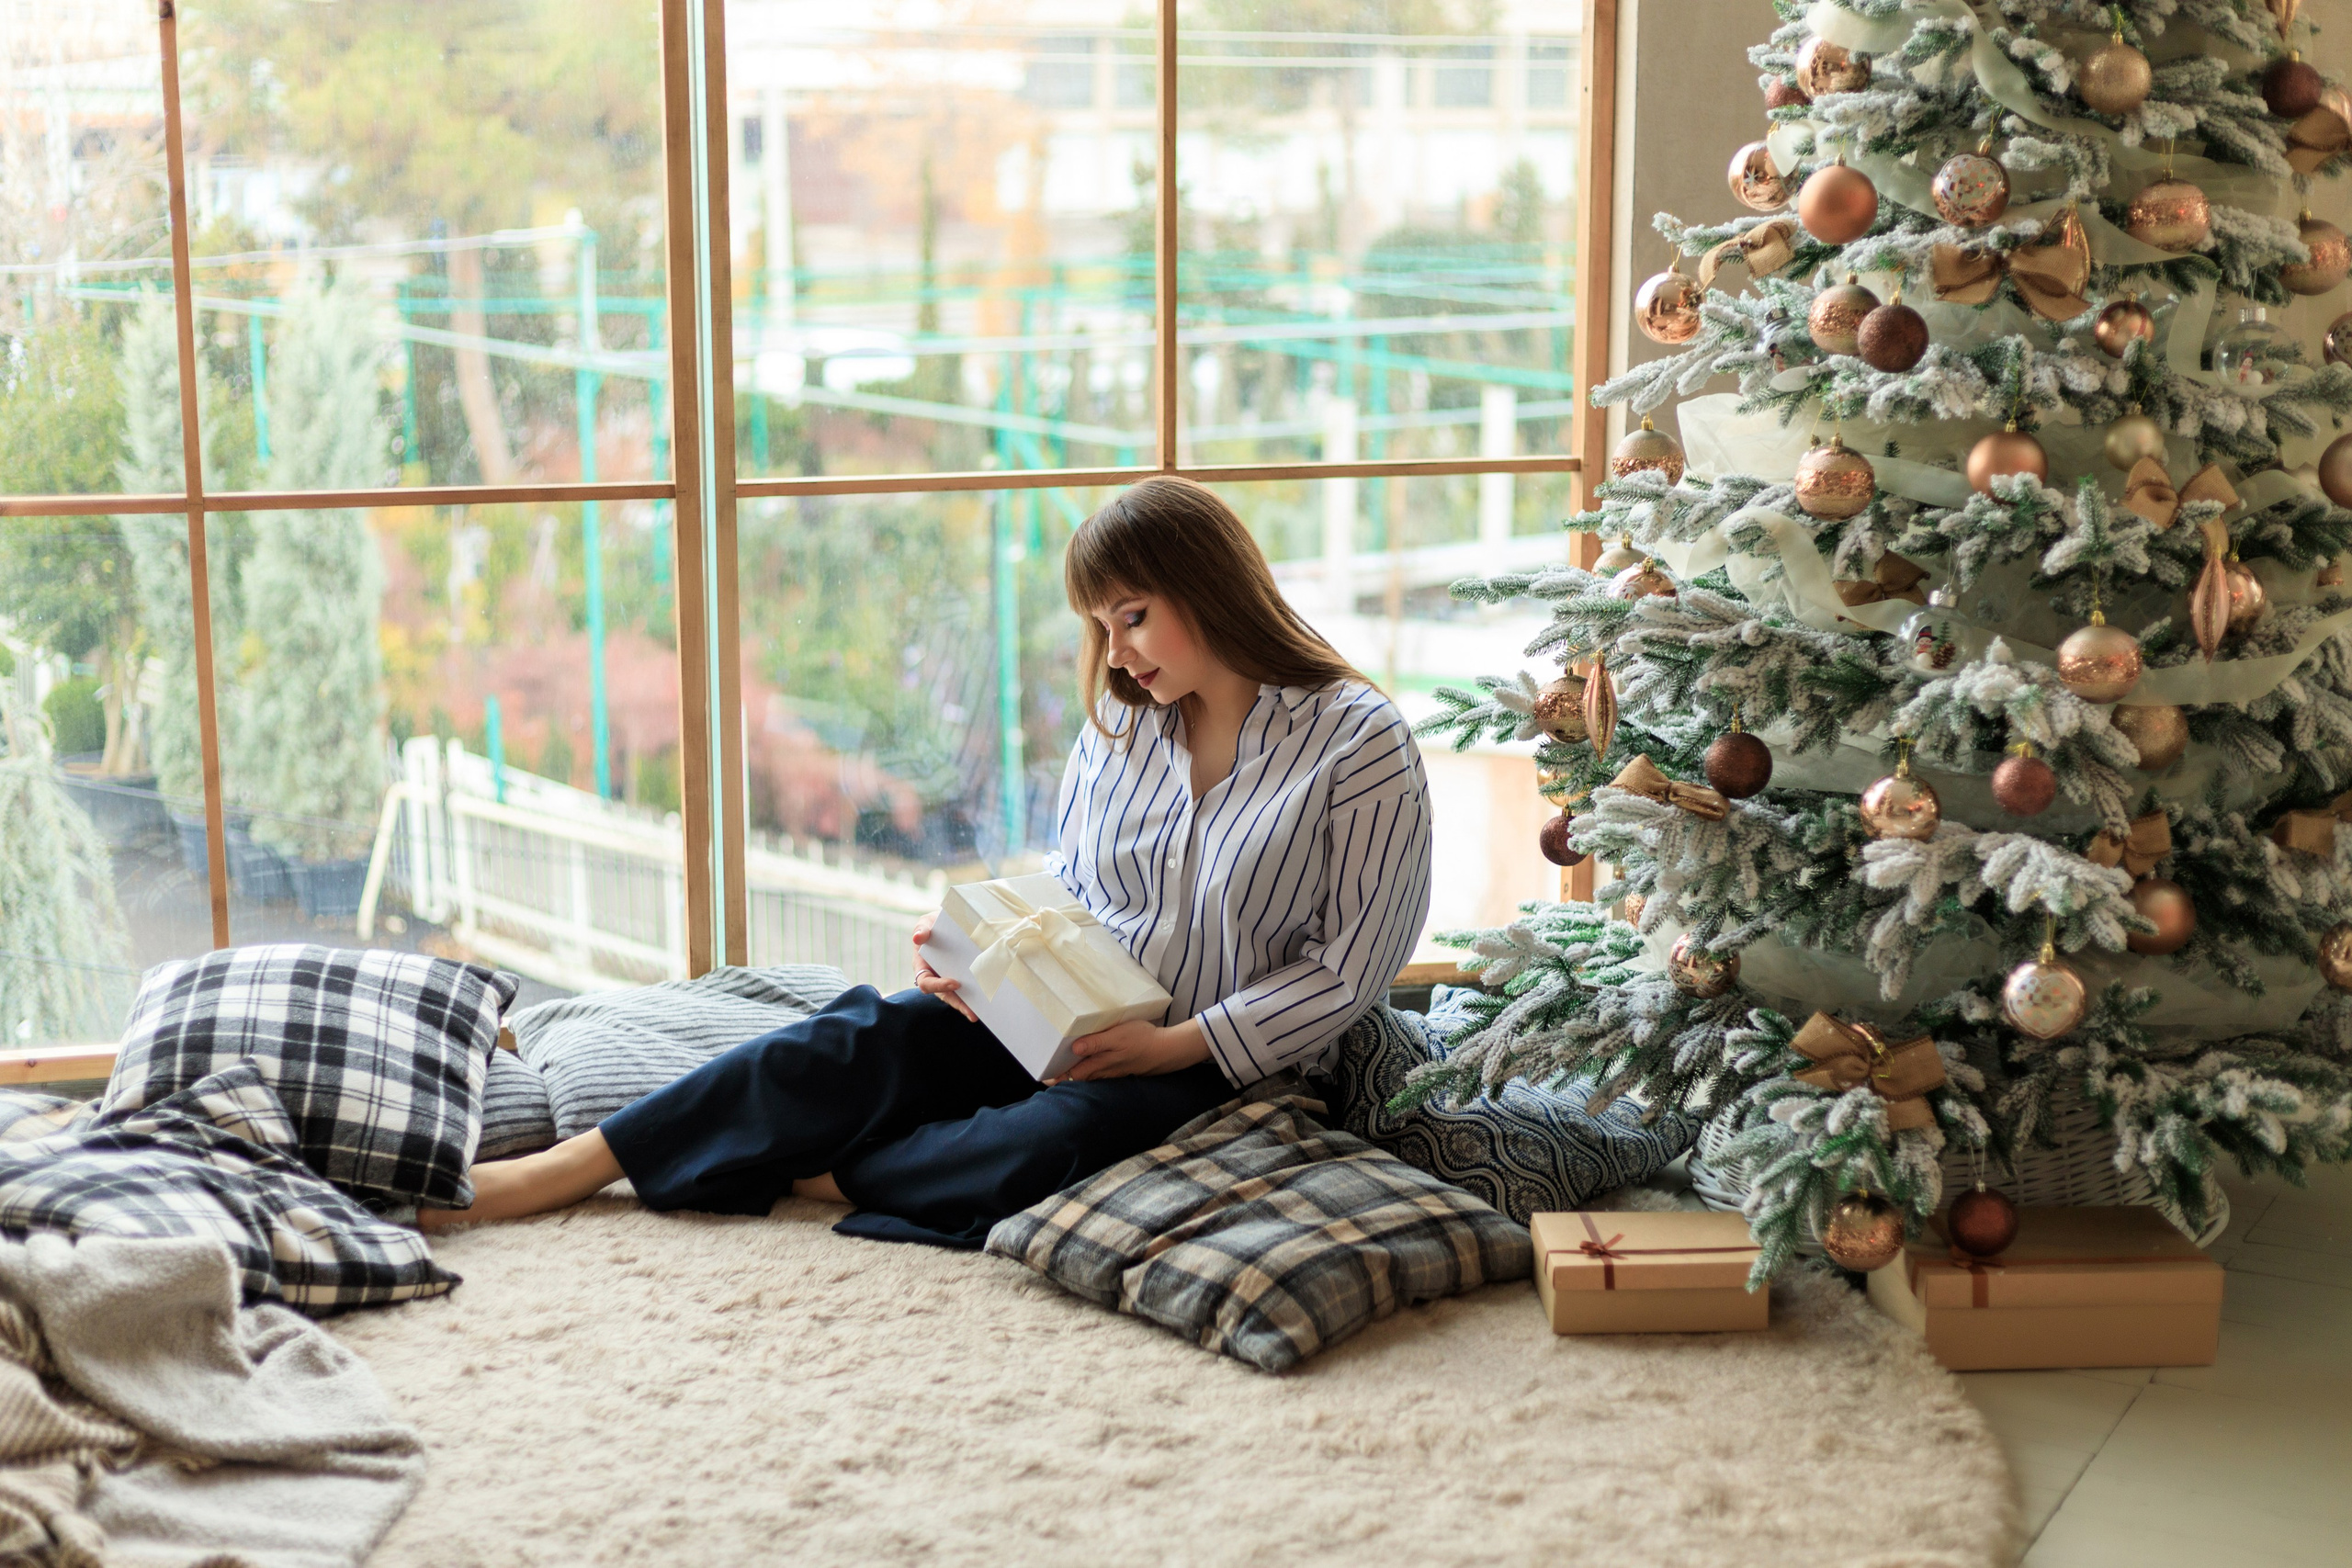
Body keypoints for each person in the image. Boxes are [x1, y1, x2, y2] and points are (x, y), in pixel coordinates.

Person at [421, 475, 1433, 1246]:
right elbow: (1076, 895)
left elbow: (1352, 969)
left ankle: (827, 1176)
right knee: (853, 1038)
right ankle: (563, 1169)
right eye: (1101, 625)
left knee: (1051, 1144)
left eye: (1133, 616)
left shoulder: (1357, 742)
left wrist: (1177, 1047)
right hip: (1076, 1019)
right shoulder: (1119, 733)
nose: (1117, 652)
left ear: (1211, 590)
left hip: (1219, 1065)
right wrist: (986, 964)